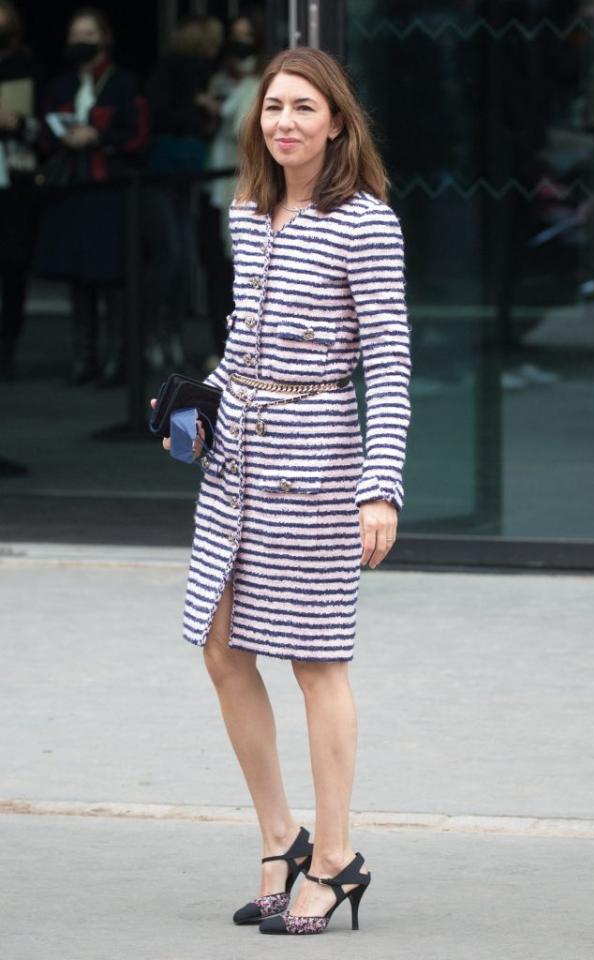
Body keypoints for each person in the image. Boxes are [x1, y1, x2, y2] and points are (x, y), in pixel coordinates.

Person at [150, 46, 411, 935]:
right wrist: (200, 404)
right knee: (223, 646)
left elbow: (390, 360)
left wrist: (381, 489)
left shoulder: (365, 222)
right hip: (236, 458)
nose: (286, 122)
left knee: (314, 658)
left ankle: (335, 859)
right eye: (273, 108)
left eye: (304, 107)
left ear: (337, 121)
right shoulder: (248, 209)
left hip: (318, 462)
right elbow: (242, 337)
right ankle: (280, 837)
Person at [34, 6, 147, 386]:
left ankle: (119, 359)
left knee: (112, 279)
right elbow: (43, 134)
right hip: (72, 191)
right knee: (78, 280)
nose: (81, 43)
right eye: (75, 36)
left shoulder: (124, 83)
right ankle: (85, 357)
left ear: (104, 38)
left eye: (88, 35)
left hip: (110, 193)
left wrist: (97, 137)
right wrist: (62, 138)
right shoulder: (61, 85)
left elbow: (139, 136)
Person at [144, 16, 223, 371]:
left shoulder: (200, 73)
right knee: (171, 255)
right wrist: (198, 110)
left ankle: (170, 331)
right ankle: (153, 332)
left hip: (188, 175)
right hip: (163, 174)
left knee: (185, 258)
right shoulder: (173, 72)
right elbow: (161, 117)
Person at [199, 14, 262, 367]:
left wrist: (218, 110)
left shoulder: (266, 81)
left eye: (247, 35)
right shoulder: (221, 79)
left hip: (251, 184)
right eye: (235, 35)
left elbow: (248, 130)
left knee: (249, 271)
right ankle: (221, 346)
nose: (240, 42)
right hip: (217, 184)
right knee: (219, 270)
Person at [0, 0, 40, 379]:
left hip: (15, 181)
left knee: (12, 267)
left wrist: (17, 123)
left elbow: (42, 131)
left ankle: (7, 347)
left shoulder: (26, 69)